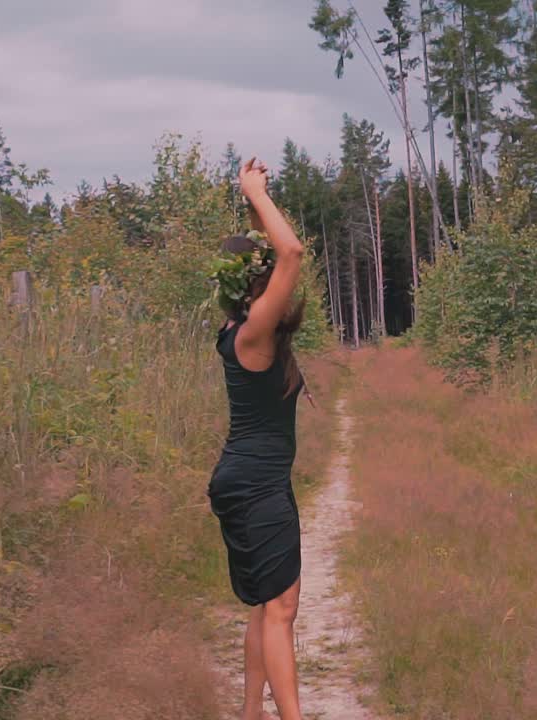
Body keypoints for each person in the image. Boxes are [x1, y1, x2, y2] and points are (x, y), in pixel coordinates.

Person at [207, 157, 307, 720]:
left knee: (263, 606)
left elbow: (273, 252)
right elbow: (290, 252)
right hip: (258, 486)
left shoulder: (236, 328)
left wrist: (255, 203)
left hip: (245, 481)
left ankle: (250, 713)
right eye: (266, 271)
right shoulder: (253, 332)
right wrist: (253, 193)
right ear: (258, 283)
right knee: (281, 609)